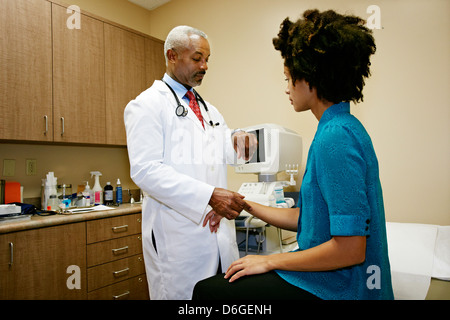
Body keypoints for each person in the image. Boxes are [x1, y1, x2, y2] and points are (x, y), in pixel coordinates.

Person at [193, 9, 394, 300]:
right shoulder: (339, 127)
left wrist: (269, 260)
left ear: (310, 78)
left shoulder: (335, 137)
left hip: (338, 288)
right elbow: (308, 218)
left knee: (207, 293)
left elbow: (351, 248)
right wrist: (245, 204)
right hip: (330, 279)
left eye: (288, 78)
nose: (286, 88)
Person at [124, 25, 257, 300]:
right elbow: (145, 170)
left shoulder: (209, 109)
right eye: (197, 58)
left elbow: (223, 153)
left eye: (207, 59)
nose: (205, 66)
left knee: (219, 298)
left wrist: (240, 141)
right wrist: (208, 196)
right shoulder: (146, 105)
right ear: (172, 56)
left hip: (218, 232)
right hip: (178, 238)